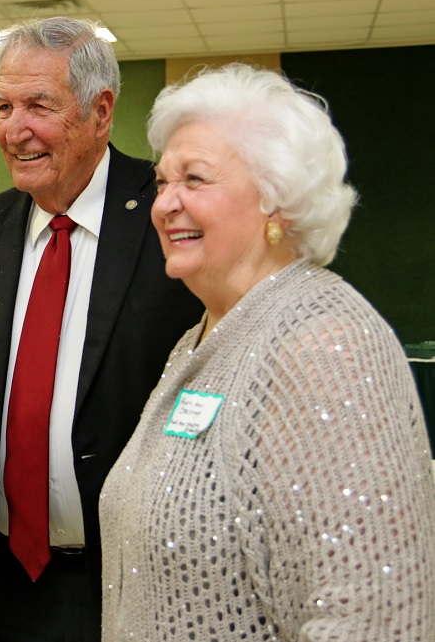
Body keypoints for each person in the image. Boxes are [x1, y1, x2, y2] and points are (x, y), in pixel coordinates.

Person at [99, 63, 435, 641]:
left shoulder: (324, 346)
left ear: (276, 201)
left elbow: (374, 616)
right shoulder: (202, 338)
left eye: (195, 180)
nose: (164, 205)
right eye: (161, 182)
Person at [0, 17, 204, 642]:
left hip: (137, 581)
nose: (15, 129)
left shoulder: (173, 221)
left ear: (101, 112)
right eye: (3, 106)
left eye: (39, 106)